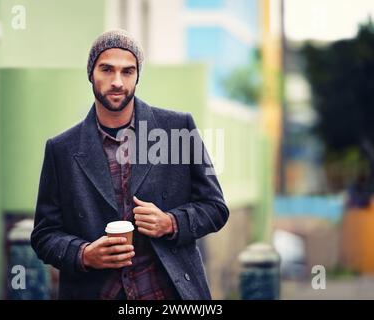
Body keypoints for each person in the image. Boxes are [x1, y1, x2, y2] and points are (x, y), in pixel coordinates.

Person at [31, 29, 229, 300]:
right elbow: (44, 235)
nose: (117, 82)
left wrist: (171, 222)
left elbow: (216, 208)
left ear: (137, 76)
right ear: (91, 74)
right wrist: (84, 254)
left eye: (127, 71)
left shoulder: (178, 129)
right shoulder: (61, 149)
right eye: (106, 69)